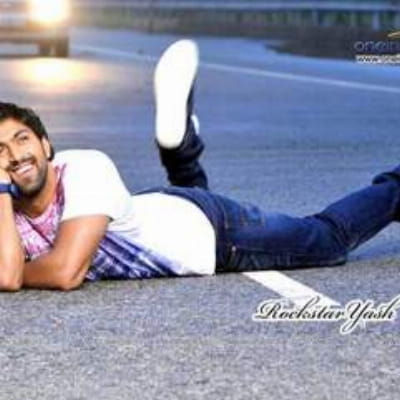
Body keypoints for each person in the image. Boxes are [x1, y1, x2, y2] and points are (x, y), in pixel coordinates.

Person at [0, 40, 399, 292]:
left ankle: (395, 186)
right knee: (189, 194)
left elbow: (64, 273)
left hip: (215, 234)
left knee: (327, 240)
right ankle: (181, 151)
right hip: (161, 210)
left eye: (22, 139)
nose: (15, 155)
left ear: (46, 145)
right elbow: (6, 275)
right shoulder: (7, 204)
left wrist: (22, 271)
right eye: (0, 150)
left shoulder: (84, 169)